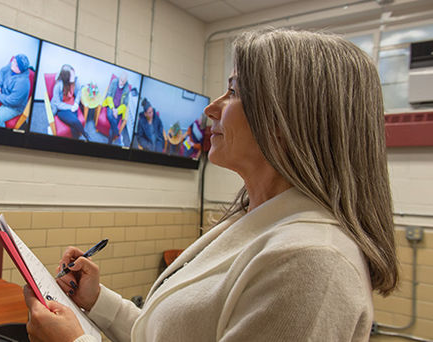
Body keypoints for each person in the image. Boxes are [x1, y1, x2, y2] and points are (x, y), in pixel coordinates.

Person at [24, 28, 399, 342]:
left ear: (286, 120)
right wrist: (96, 301)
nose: (211, 107)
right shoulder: (255, 222)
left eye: (234, 91)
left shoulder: (313, 262)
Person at [0, 54, 31, 127]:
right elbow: (2, 71)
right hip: (4, 92)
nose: (12, 63)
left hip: (14, 106)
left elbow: (13, 101)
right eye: (14, 61)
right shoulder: (12, 66)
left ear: (20, 69)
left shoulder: (23, 83)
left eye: (15, 64)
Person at [51, 64, 90, 141]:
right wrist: (71, 107)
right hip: (62, 109)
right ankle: (86, 135)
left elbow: (79, 92)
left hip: (72, 105)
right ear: (66, 77)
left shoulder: (75, 80)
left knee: (73, 126)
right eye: (71, 75)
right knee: (75, 121)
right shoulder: (58, 86)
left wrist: (76, 103)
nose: (74, 77)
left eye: (73, 74)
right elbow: (58, 104)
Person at [101, 72, 131, 144]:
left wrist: (117, 111)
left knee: (112, 124)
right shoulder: (114, 82)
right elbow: (109, 95)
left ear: (126, 81)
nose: (121, 83)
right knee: (109, 115)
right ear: (119, 78)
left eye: (123, 81)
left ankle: (109, 143)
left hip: (119, 109)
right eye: (120, 80)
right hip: (111, 105)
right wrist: (113, 108)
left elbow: (125, 104)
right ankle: (117, 132)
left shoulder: (127, 89)